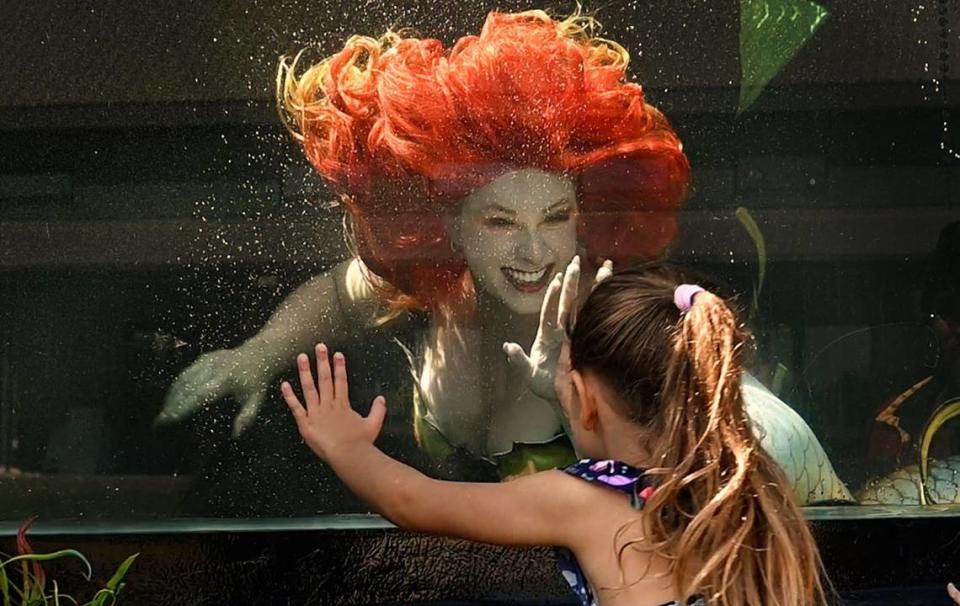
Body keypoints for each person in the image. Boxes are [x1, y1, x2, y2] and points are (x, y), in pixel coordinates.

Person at [157, 9, 850, 503]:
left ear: (586, 219)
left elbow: (756, 434)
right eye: (498, 220)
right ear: (447, 229)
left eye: (557, 217)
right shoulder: (442, 288)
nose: (532, 249)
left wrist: (729, 432)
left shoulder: (613, 313)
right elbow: (342, 292)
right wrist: (260, 351)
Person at [281, 260, 830, 606]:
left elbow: (412, 499)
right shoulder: (749, 484)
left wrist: (346, 446)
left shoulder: (584, 499)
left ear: (586, 399)